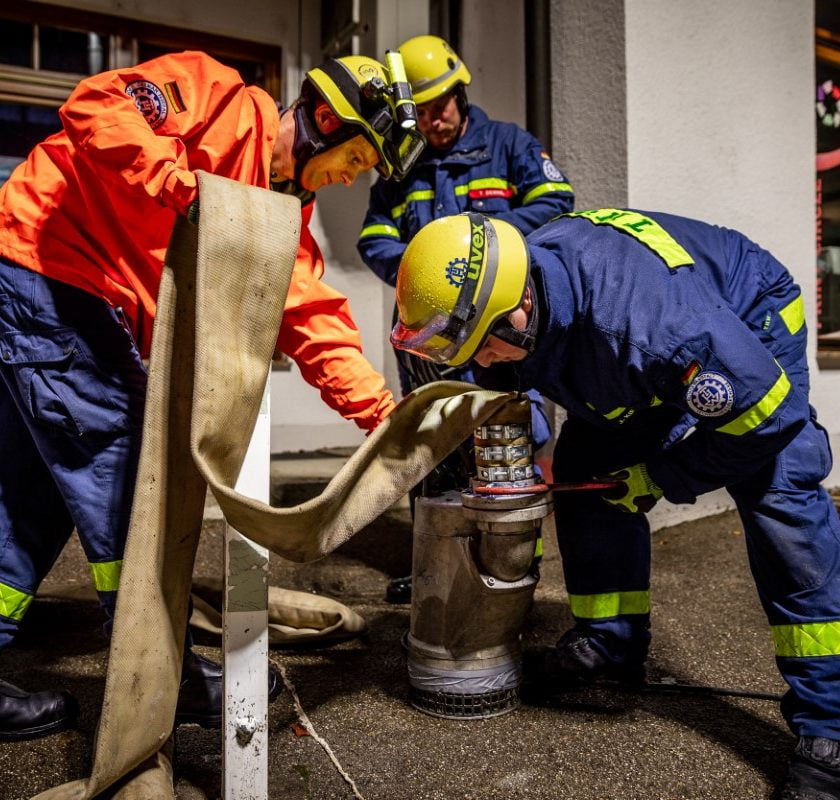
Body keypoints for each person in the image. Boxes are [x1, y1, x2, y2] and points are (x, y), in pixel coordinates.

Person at [0, 49, 423, 741]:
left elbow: (308, 315)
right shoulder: (215, 96)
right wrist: (179, 184)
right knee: (138, 475)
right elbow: (96, 106)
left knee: (28, 492)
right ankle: (160, 675)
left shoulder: (279, 215)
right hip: (48, 270)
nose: (356, 176)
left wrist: (383, 416)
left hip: (59, 290)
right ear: (324, 119)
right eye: (358, 156)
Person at [391, 209, 840, 799]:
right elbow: (506, 381)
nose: (483, 359)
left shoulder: (655, 325)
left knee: (777, 494)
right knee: (589, 476)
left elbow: (768, 419)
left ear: (519, 312)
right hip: (637, 352)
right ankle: (610, 640)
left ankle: (827, 727)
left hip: (747, 316)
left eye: (484, 346)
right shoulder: (516, 294)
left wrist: (659, 476)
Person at [357, 35, 573, 600]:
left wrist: (482, 251)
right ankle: (435, 563)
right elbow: (375, 239)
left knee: (507, 437)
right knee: (432, 444)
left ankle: (516, 562)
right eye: (421, 113)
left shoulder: (509, 145)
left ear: (459, 91)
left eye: (441, 106)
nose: (433, 122)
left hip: (499, 327)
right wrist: (426, 270)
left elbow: (556, 202)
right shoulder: (399, 171)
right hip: (428, 337)